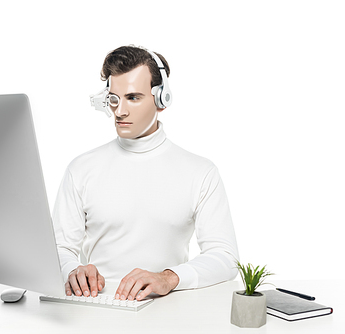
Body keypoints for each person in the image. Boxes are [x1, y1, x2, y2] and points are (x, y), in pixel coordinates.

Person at [52, 45, 239, 302]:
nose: (120, 111)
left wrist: (168, 277)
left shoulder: (200, 172)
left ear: (162, 100)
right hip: (95, 306)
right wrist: (72, 270)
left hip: (166, 309)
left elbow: (225, 258)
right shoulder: (81, 169)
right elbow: (59, 248)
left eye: (133, 97)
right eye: (114, 98)